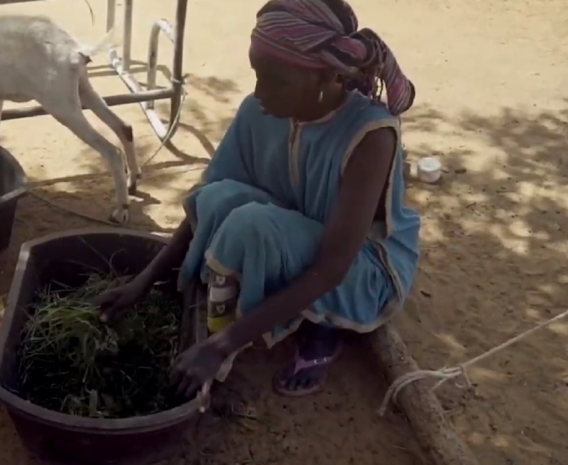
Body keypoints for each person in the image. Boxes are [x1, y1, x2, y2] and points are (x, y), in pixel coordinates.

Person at [94, 0, 420, 403]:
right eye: (257, 75)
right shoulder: (259, 110)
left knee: (252, 225)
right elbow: (208, 200)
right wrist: (144, 281)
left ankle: (326, 330)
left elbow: (333, 266)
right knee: (220, 198)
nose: (260, 92)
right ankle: (254, 308)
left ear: (328, 76)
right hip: (294, 232)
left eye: (276, 82)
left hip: (360, 269)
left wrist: (221, 346)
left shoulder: (370, 135)